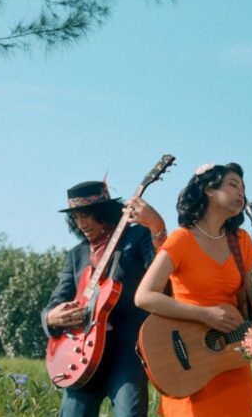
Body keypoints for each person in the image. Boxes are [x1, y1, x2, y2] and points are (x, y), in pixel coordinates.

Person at [134, 162, 252, 417]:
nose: (241, 192)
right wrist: (206, 315)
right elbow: (144, 297)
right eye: (233, 185)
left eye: (243, 187)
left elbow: (249, 306)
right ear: (209, 190)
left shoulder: (241, 242)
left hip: (231, 361)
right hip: (189, 364)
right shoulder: (182, 239)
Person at [42, 179, 167, 417]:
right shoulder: (77, 255)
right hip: (81, 354)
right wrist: (50, 317)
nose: (81, 224)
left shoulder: (138, 236)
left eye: (86, 215)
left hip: (126, 350)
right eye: (76, 218)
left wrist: (157, 228)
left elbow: (162, 280)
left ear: (104, 211)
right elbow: (57, 299)